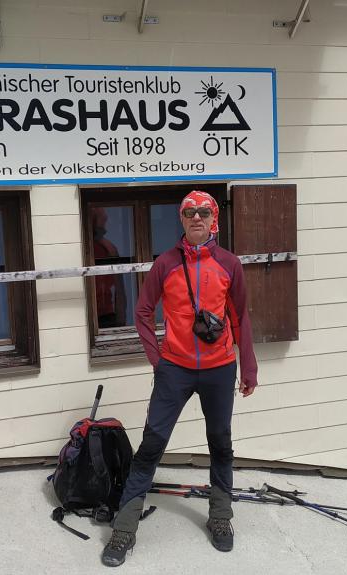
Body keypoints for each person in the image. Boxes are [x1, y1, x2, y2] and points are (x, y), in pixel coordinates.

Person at [102, 190, 258, 567]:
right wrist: (158, 361)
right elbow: (143, 312)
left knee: (220, 443)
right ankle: (124, 528)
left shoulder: (229, 264)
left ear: (214, 218)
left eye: (203, 212)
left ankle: (220, 517)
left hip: (220, 367)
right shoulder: (166, 263)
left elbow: (240, 316)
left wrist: (249, 367)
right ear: (182, 219)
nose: (196, 217)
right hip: (175, 368)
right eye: (189, 212)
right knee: (152, 444)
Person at [91, 207, 128, 328]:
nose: (107, 223)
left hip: (106, 314)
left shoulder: (107, 248)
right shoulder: (106, 247)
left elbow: (118, 288)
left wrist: (121, 319)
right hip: (96, 313)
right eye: (103, 220)